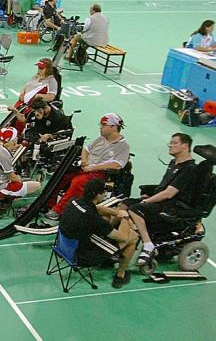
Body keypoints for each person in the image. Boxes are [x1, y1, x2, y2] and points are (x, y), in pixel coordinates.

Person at [128, 133, 199, 266]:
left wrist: (147, 201)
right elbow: (163, 188)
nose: (170, 145)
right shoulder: (174, 163)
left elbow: (169, 193)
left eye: (174, 143)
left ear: (184, 146)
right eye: (170, 143)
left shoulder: (190, 169)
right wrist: (150, 196)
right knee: (124, 204)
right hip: (163, 202)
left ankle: (148, 245)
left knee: (134, 209)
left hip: (174, 207)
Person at [45, 113, 130, 220]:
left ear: (113, 127)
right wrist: (84, 161)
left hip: (99, 173)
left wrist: (92, 167)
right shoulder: (100, 139)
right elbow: (86, 149)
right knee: (61, 175)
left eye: (103, 125)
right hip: (84, 167)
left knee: (78, 182)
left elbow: (118, 165)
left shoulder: (123, 146)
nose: (101, 127)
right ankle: (48, 203)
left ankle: (59, 211)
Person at [59, 179, 138, 289]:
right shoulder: (93, 218)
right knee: (132, 237)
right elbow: (123, 237)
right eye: (104, 192)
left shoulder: (75, 201)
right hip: (80, 256)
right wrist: (125, 217)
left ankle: (110, 254)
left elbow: (98, 209)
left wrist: (116, 213)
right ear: (98, 195)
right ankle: (121, 275)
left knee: (107, 217)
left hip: (63, 246)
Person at [0, 127, 41, 213]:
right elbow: (13, 177)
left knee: (23, 182)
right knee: (36, 186)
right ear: (13, 141)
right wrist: (21, 180)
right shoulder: (3, 155)